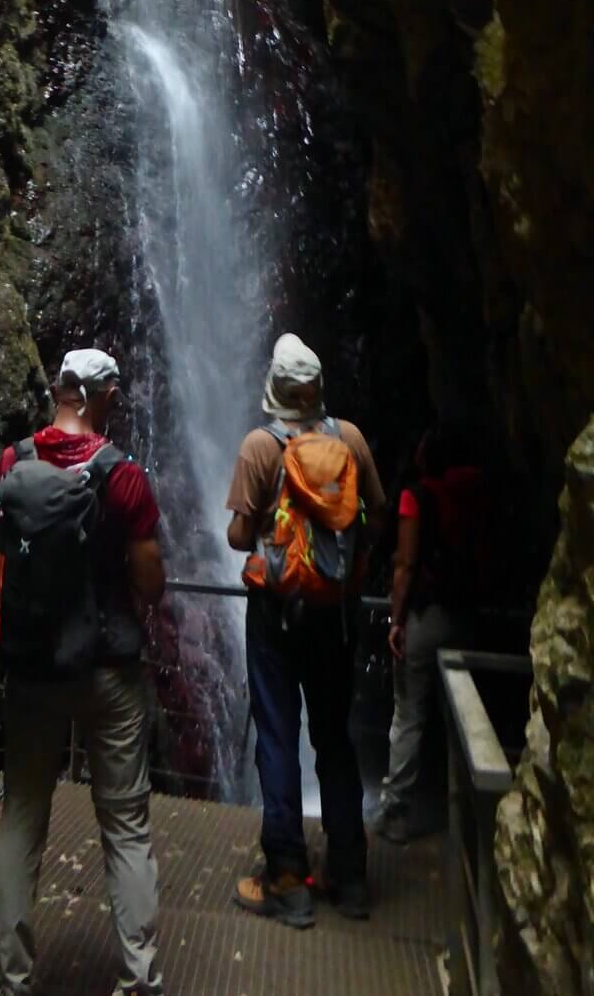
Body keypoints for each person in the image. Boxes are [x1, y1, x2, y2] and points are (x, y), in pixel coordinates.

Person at [0, 349, 166, 996]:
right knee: (125, 825)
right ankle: (140, 977)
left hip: (33, 664)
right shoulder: (124, 478)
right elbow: (150, 583)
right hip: (109, 669)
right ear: (94, 395)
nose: (119, 398)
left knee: (21, 816)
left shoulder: (15, 461)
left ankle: (11, 977)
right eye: (114, 390)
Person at [226, 333, 387, 929]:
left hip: (275, 612)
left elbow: (239, 539)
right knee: (334, 737)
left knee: (277, 736)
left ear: (275, 391)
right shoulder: (351, 440)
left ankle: (289, 880)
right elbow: (378, 512)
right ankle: (350, 877)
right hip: (337, 614)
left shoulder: (259, 446)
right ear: (319, 391)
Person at [372, 423, 492, 844]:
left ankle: (396, 812)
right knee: (463, 717)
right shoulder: (477, 491)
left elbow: (405, 565)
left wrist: (397, 620)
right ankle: (470, 816)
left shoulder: (416, 496)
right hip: (469, 615)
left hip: (426, 616)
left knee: (409, 714)